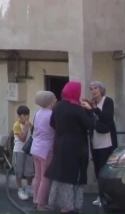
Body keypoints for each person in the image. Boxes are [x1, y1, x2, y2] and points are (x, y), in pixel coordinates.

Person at [46, 81, 95, 214]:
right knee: (74, 176)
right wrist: (90, 111)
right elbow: (90, 125)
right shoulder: (78, 109)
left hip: (61, 145)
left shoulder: (58, 106)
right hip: (77, 147)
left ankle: (63, 206)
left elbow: (52, 123)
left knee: (62, 175)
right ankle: (71, 205)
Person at [88, 81, 118, 207]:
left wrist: (94, 109)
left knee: (105, 168)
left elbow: (107, 117)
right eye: (91, 89)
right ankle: (100, 195)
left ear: (101, 90)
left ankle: (107, 197)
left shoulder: (108, 101)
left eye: (96, 88)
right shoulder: (91, 103)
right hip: (95, 139)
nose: (93, 91)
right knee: (97, 169)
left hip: (107, 140)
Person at [31, 91, 57, 211]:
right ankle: (41, 203)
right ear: (49, 101)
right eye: (54, 98)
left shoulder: (37, 113)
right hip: (47, 148)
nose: (56, 100)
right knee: (45, 177)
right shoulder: (51, 114)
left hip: (35, 147)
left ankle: (36, 199)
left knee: (37, 176)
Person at [13, 105, 35, 201]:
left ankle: (29, 188)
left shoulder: (30, 124)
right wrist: (25, 128)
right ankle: (20, 189)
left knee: (29, 170)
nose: (26, 117)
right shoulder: (17, 125)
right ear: (19, 116)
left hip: (29, 150)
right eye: (24, 115)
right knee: (19, 171)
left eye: (27, 115)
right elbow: (22, 138)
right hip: (19, 150)